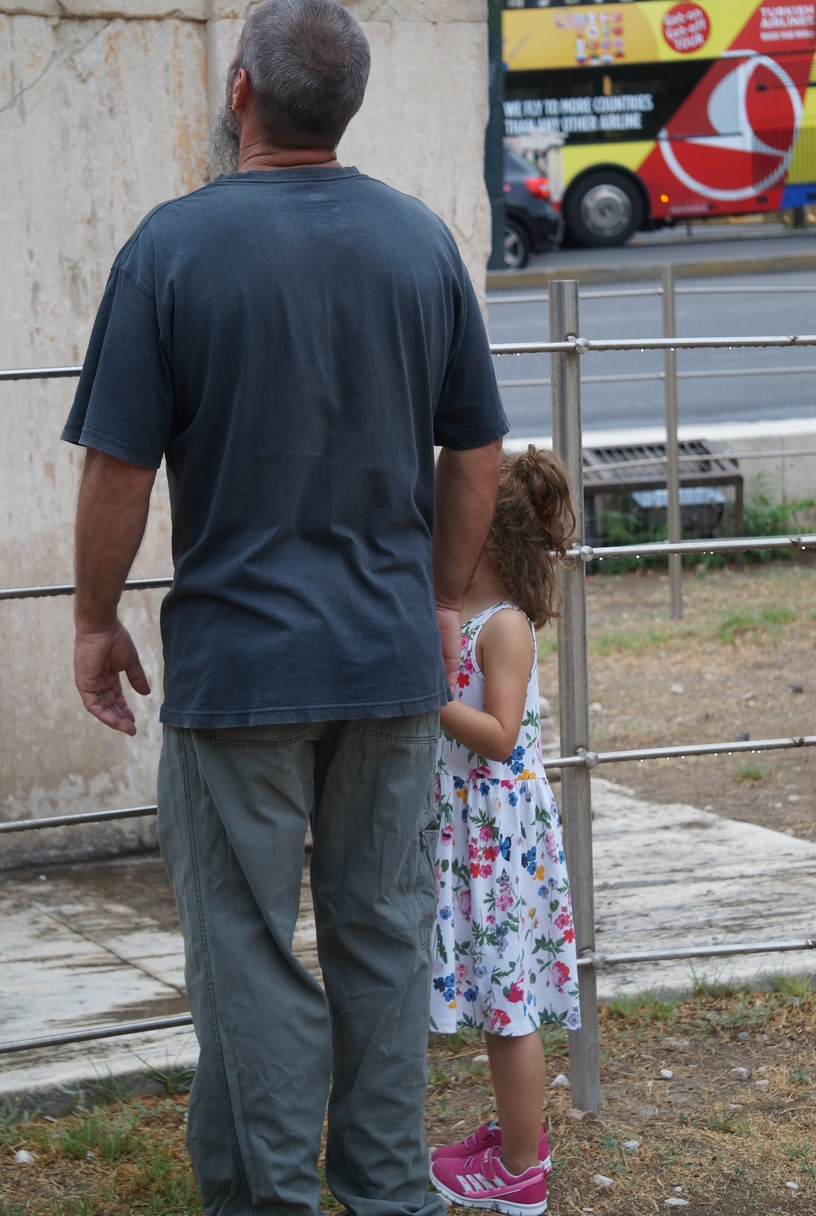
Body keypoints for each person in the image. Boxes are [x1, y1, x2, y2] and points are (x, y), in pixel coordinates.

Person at [61, 2, 508, 1214]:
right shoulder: (420, 242)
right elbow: (477, 449)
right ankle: (387, 1190)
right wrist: (442, 599)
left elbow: (119, 467)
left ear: (241, 91)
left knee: (246, 950)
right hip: (387, 660)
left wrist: (95, 619)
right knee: (384, 934)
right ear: (345, 105)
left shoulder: (171, 247)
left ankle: (267, 1198)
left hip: (240, 668)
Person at [427, 447, 581, 1216]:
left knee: (508, 1006)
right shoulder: (467, 620)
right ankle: (521, 1138)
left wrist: (426, 697)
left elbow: (499, 734)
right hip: (476, 839)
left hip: (499, 844)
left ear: (480, 537)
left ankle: (520, 1171)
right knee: (497, 998)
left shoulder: (505, 627)